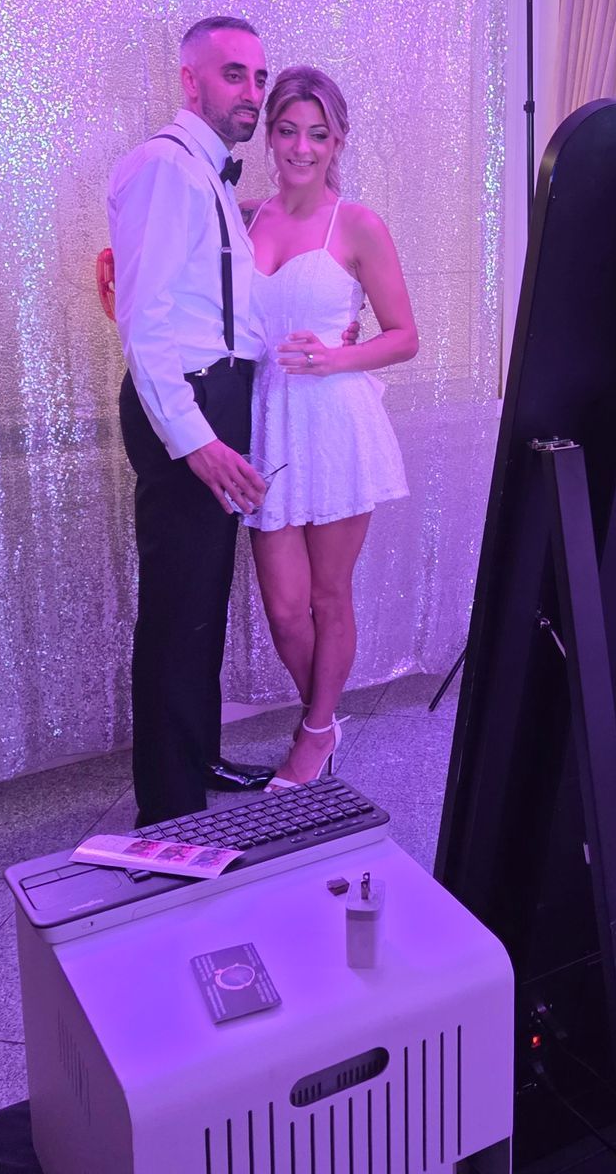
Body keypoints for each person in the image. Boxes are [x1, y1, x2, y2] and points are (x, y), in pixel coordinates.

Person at [107, 14, 278, 824]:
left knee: (204, 600)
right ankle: (169, 811)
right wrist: (196, 438)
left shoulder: (208, 175)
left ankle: (198, 759)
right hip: (189, 402)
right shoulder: (163, 169)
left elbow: (220, 304)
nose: (252, 92)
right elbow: (144, 323)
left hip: (218, 395)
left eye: (258, 77)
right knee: (178, 612)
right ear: (191, 80)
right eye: (234, 73)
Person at [241, 66, 417, 788]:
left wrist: (337, 356)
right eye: (287, 131)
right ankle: (326, 717)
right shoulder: (243, 217)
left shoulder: (359, 224)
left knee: (327, 596)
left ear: (337, 141)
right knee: (285, 610)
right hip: (267, 424)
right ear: (270, 134)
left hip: (337, 423)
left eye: (318, 134)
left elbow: (405, 336)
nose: (301, 148)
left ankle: (315, 732)